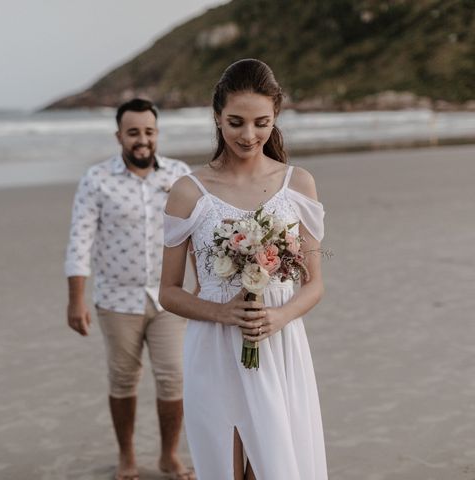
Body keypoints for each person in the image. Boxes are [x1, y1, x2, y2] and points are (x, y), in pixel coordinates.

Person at [159, 59, 328, 479]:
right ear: (216, 116)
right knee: (225, 465)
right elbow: (168, 291)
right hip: (214, 347)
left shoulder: (298, 185)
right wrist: (222, 313)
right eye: (235, 122)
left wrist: (278, 316)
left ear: (276, 118)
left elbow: (314, 284)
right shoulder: (188, 192)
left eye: (260, 123)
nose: (248, 135)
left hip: (279, 344)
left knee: (275, 466)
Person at [64, 98, 195, 480]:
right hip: (116, 299)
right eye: (133, 132)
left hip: (169, 296)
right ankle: (127, 456)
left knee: (173, 376)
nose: (142, 140)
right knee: (122, 378)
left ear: (157, 134)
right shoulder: (96, 179)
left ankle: (169, 456)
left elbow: (198, 236)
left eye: (149, 132)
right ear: (119, 135)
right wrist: (76, 300)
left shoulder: (179, 175)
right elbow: (79, 240)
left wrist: (204, 288)